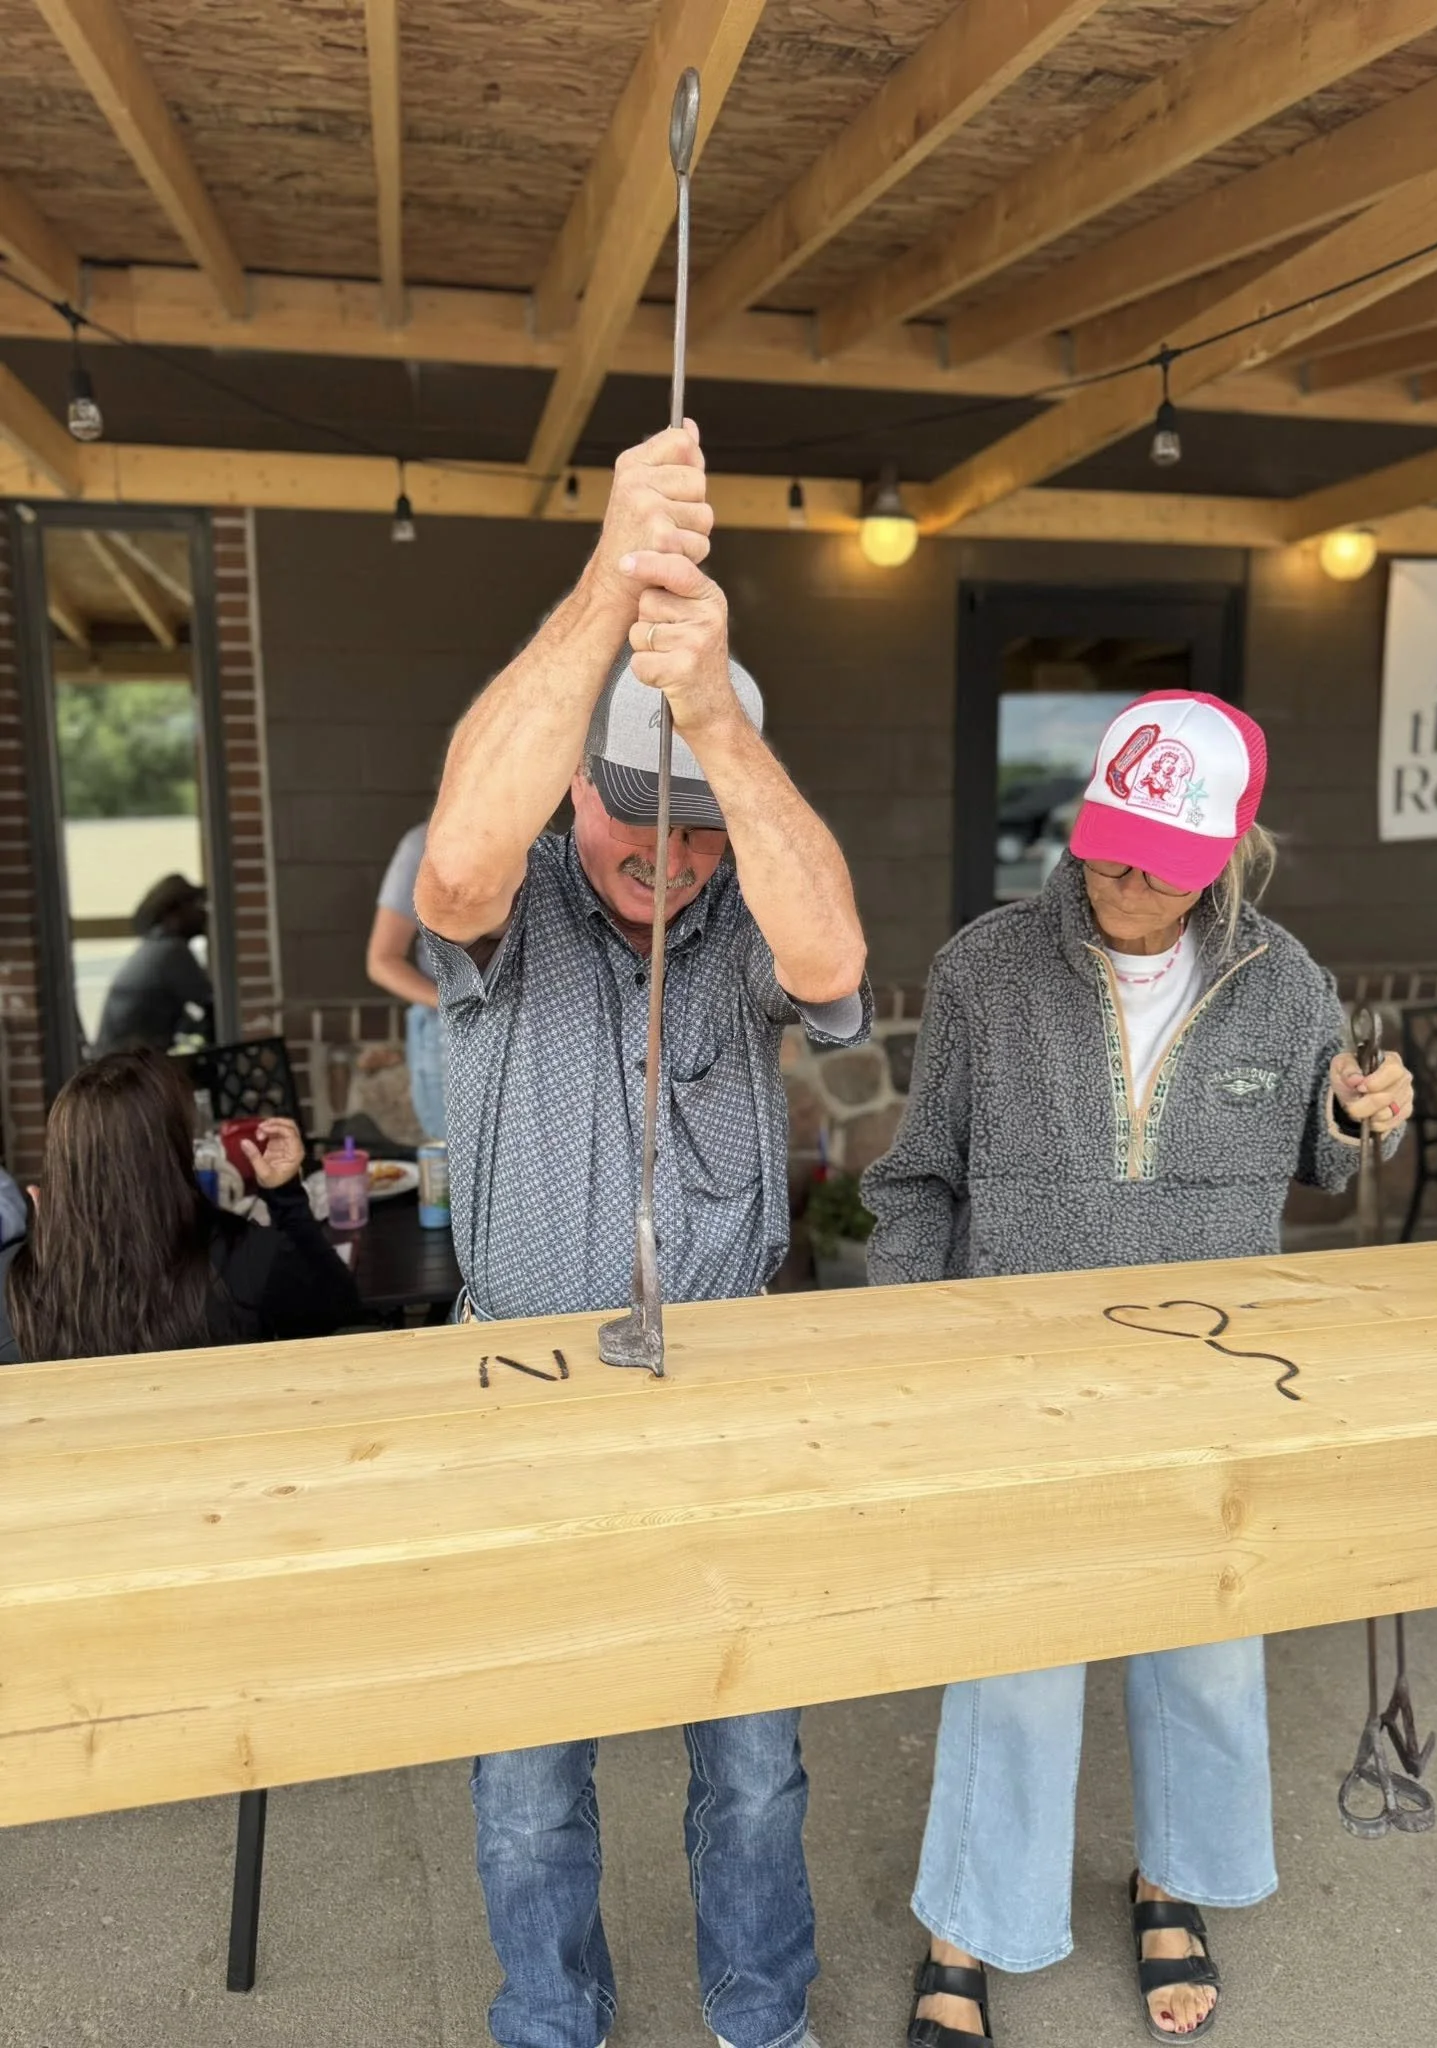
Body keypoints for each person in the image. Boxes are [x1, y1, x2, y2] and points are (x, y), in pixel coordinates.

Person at [863, 691, 1415, 2046]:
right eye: (1106, 848)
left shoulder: (1284, 982)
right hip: (1020, 1379)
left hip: (1209, 1384)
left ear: (1224, 852)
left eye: (1155, 862)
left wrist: (1355, 1118)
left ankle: (1176, 1878)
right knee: (1017, 1663)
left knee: (1210, 1651)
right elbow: (917, 1179)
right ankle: (972, 1924)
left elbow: (1327, 1155)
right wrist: (910, 1344)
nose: (1118, 880)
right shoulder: (987, 970)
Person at [415, 420, 870, 2048]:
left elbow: (834, 960)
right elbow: (457, 864)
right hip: (522, 1388)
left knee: (752, 1759)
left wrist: (715, 728)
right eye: (631, 821)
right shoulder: (513, 882)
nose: (662, 863)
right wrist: (618, 575)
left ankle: (764, 2021)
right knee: (532, 1773)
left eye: (691, 834)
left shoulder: (745, 896)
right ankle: (554, 2027)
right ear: (575, 800)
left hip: (728, 1384)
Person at [2, 1045, 359, 1365]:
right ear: (176, 1153)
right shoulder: (245, 1261)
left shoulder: (13, 1285)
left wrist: (46, 1241)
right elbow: (337, 1306)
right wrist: (286, 1196)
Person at [368, 821, 445, 1138]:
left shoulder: (544, 846)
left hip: (527, 1042)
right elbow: (382, 961)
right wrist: (458, 1004)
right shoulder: (424, 846)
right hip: (448, 1043)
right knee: (455, 1170)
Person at [94, 872, 215, 1056]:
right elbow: (211, 1002)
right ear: (173, 912)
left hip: (120, 1059)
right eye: (195, 905)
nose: (203, 912)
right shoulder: (171, 951)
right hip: (128, 1065)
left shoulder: (155, 947)